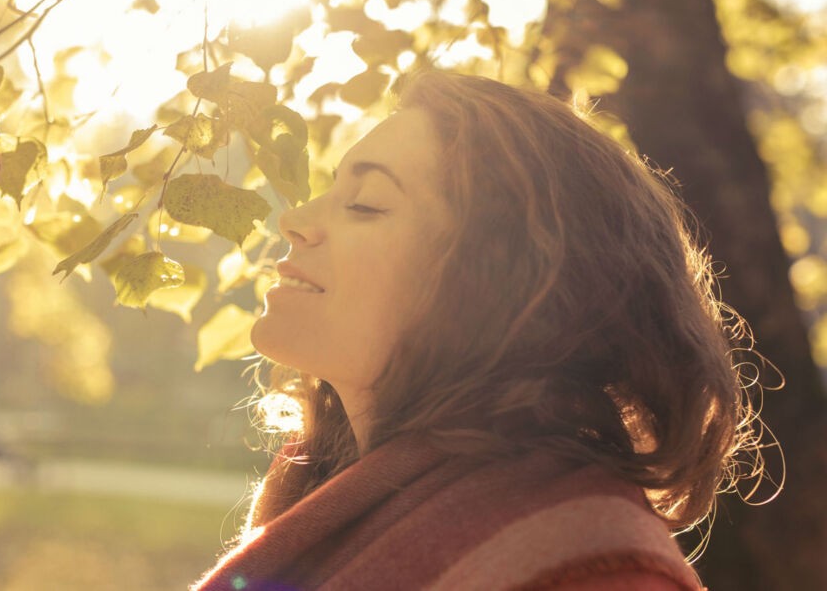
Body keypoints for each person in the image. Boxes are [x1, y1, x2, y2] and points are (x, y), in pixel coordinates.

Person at [193, 71, 767, 590]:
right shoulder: (312, 503)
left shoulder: (593, 568)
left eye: (365, 204)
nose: (293, 220)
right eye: (333, 189)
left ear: (503, 280)